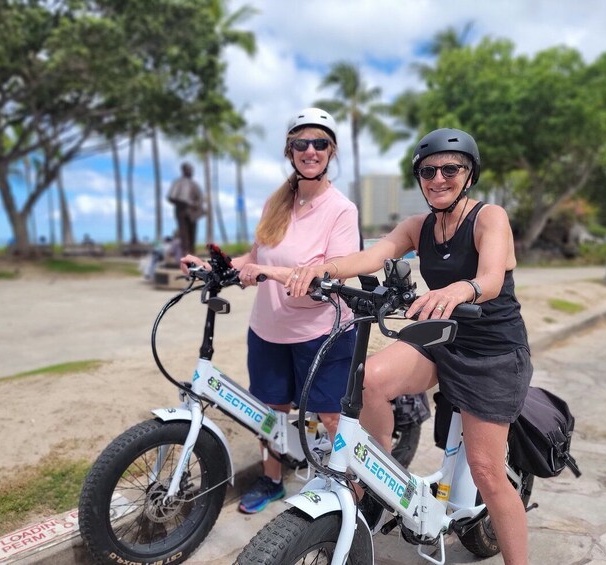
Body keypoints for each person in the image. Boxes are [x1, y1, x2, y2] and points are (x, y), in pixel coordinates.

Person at [288, 128, 533, 565]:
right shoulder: (418, 227)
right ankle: (377, 479)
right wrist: (323, 269)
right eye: (428, 171)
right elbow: (373, 255)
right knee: (370, 381)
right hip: (443, 337)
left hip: (493, 352)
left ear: (469, 174)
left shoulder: (489, 217)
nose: (438, 178)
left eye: (450, 169)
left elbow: (493, 278)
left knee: (488, 474)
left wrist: (461, 289)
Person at [180, 108, 360, 514]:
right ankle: (272, 479)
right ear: (289, 150)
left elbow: (336, 267)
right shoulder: (277, 202)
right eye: (301, 144)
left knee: (331, 416)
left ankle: (350, 490)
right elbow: (256, 257)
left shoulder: (341, 209)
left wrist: (269, 271)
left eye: (319, 144)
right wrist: (215, 267)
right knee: (270, 412)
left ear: (330, 152)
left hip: (321, 331)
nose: (309, 151)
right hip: (268, 329)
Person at [167, 162, 204, 256]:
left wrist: (196, 204)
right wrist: (185, 202)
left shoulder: (195, 185)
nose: (191, 171)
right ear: (184, 170)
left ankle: (192, 252)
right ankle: (186, 252)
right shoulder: (178, 182)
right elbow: (171, 196)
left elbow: (200, 198)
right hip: (182, 211)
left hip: (193, 213)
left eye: (192, 170)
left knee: (192, 233)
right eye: (189, 169)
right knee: (184, 234)